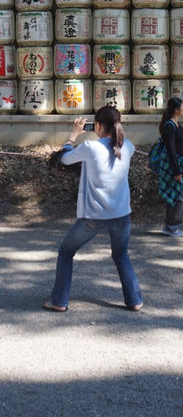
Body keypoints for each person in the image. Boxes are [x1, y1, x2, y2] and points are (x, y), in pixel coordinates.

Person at [43, 106, 143, 313]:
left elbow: (64, 159)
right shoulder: (129, 147)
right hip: (121, 214)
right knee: (121, 256)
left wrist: (72, 136)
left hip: (93, 216)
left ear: (97, 125)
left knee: (65, 252)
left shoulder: (89, 147)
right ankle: (134, 300)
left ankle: (59, 301)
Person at [158, 97, 183, 237]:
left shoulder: (177, 125)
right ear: (176, 110)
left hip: (180, 164)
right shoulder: (169, 126)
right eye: (182, 107)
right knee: (181, 197)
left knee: (176, 196)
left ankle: (170, 226)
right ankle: (172, 226)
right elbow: (171, 150)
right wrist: (176, 171)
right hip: (174, 166)